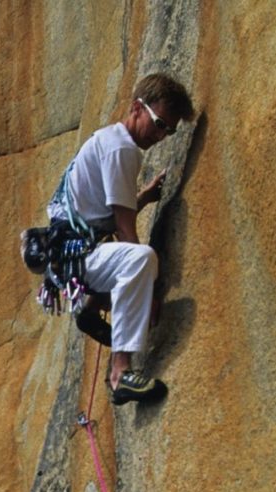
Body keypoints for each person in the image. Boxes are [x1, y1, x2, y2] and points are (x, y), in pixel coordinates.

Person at [47, 72, 195, 405]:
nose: (161, 135)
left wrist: (143, 197)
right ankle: (120, 373)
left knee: (135, 265)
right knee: (142, 259)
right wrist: (151, 293)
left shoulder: (109, 141)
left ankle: (92, 305)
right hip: (78, 258)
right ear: (136, 108)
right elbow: (125, 230)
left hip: (72, 257)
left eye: (170, 131)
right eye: (159, 124)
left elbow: (109, 213)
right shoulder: (121, 149)